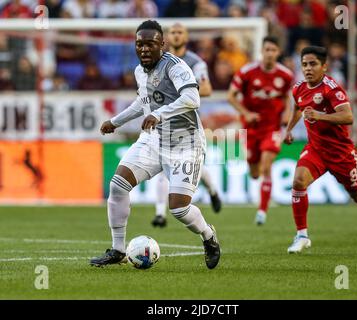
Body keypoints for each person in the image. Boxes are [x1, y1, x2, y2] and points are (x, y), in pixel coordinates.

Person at [90, 20, 220, 269]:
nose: (145, 49)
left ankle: (209, 236)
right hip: (154, 139)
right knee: (118, 185)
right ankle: (118, 249)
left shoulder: (175, 66)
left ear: (162, 44)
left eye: (150, 44)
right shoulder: (140, 71)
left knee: (179, 209)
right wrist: (116, 122)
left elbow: (193, 98)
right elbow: (143, 102)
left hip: (185, 143)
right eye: (140, 44)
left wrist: (160, 114)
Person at [284, 46, 357, 253]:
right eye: (304, 64)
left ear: (324, 66)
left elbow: (348, 116)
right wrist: (288, 129)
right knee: (298, 181)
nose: (307, 69)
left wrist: (320, 116)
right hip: (316, 150)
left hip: (341, 153)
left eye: (313, 64)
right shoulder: (299, 88)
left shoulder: (332, 90)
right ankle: (302, 235)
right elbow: (297, 106)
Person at [151, 22, 222, 228]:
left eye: (179, 32)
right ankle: (159, 214)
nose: (175, 36)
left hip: (188, 123)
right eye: (172, 32)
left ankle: (213, 190)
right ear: (167, 37)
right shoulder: (159, 61)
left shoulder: (195, 62)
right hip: (164, 121)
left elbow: (207, 89)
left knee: (191, 166)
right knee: (165, 166)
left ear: (186, 36)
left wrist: (182, 92)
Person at [228, 36, 293, 225]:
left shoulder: (286, 75)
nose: (270, 53)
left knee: (266, 166)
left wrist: (287, 114)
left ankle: (262, 211)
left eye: (273, 50)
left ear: (278, 52)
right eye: (267, 50)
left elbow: (288, 97)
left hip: (271, 127)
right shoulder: (247, 72)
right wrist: (246, 113)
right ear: (261, 52)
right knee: (255, 171)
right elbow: (231, 96)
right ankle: (261, 197)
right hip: (251, 128)